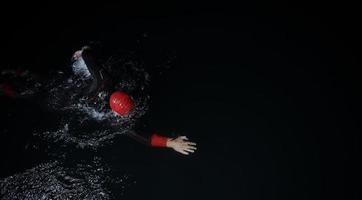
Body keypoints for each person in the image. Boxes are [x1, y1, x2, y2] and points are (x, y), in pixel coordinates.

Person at [71, 45, 197, 155]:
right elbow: (143, 138)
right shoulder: (111, 118)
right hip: (80, 96)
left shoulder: (105, 81)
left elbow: (88, 57)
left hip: (93, 88)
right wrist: (170, 143)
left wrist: (83, 52)